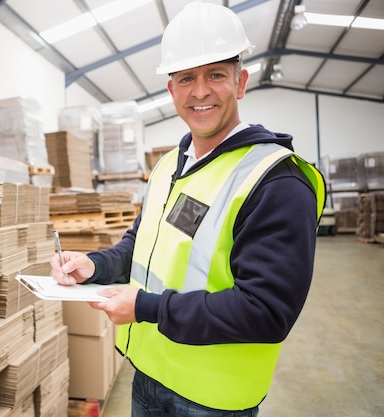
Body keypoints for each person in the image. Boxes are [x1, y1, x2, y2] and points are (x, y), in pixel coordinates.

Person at [49, 2, 326, 416]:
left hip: (212, 400)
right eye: (186, 78)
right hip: (149, 376)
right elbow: (139, 245)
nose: (199, 91)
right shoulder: (168, 167)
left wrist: (144, 307)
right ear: (171, 90)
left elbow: (267, 311)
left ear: (241, 81)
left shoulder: (277, 181)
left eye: (215, 74)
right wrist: (94, 265)